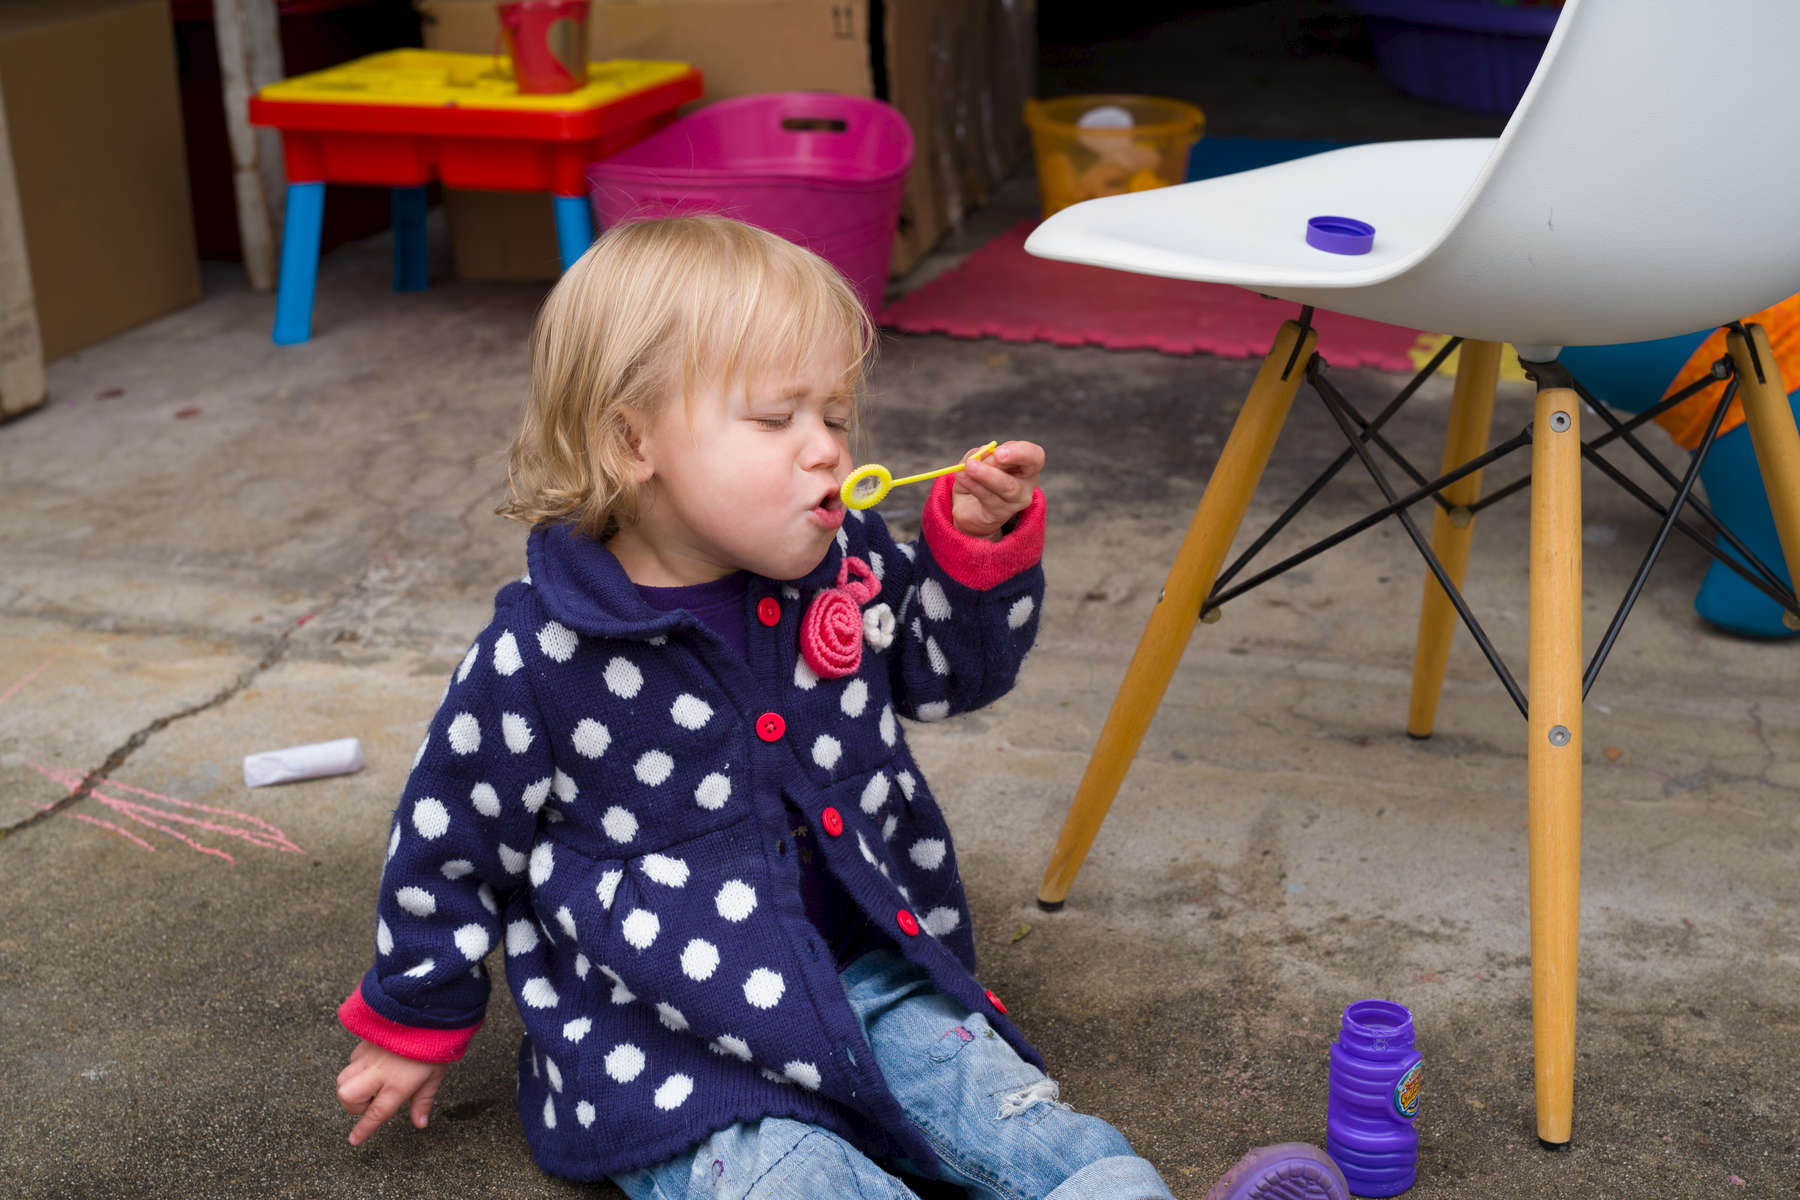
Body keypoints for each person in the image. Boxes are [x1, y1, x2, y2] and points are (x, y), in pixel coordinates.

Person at [332, 215, 1349, 1200]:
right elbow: (451, 842)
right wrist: (412, 1018)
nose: (822, 449)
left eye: (833, 417)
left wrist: (973, 550)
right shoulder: (544, 651)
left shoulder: (845, 565)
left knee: (1018, 1118)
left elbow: (952, 674)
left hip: (865, 975)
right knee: (795, 1179)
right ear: (632, 442)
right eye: (776, 420)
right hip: (666, 1041)